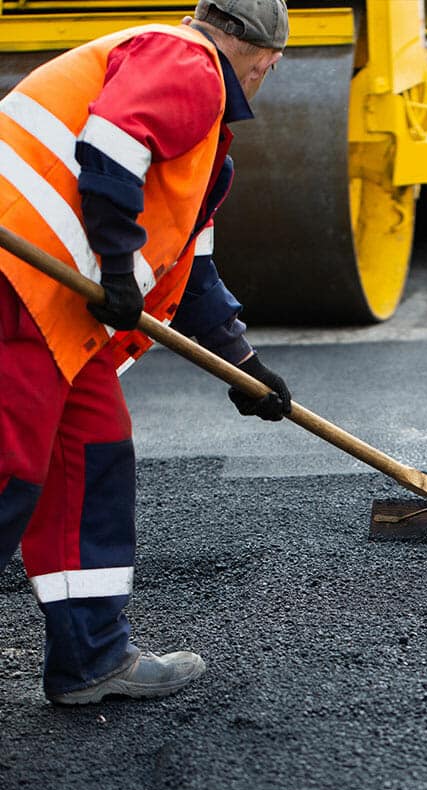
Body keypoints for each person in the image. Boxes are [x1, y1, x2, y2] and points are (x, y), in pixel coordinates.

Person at [0, 0, 293, 705]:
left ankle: (90, 660)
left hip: (61, 308)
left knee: (93, 458)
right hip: (18, 283)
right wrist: (114, 262)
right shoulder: (187, 61)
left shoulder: (204, 135)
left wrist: (243, 367)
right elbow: (110, 145)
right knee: (8, 473)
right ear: (266, 58)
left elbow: (192, 273)